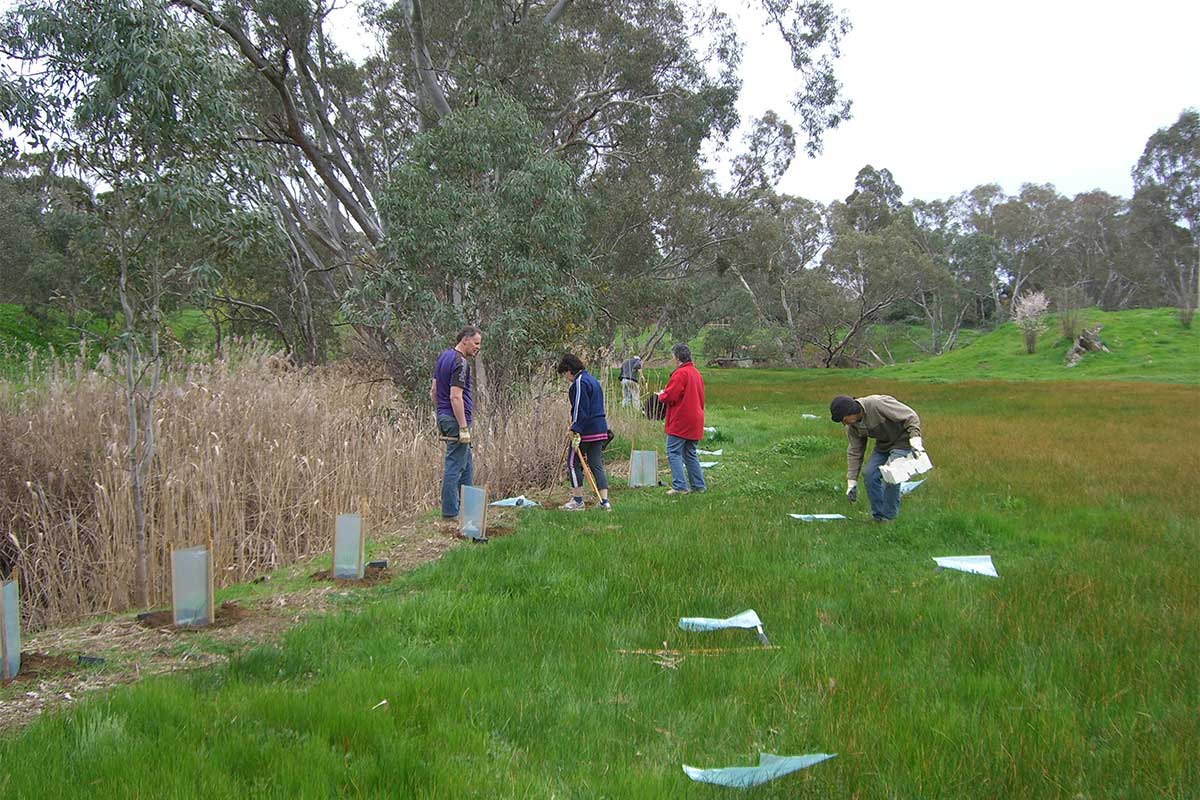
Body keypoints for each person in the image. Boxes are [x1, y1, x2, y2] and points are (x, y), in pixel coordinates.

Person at [830, 394, 925, 523]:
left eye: (843, 419)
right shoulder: (852, 427)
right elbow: (854, 452)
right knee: (869, 474)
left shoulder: (877, 404)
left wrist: (915, 441)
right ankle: (879, 517)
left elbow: (911, 416)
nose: (843, 423)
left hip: (903, 441)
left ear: (851, 411)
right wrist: (851, 482)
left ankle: (890, 518)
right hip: (883, 445)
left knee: (891, 475)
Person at [431, 326, 482, 520]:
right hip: (455, 419)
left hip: (444, 416)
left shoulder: (443, 356)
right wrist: (462, 427)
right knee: (454, 465)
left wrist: (440, 413)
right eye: (476, 343)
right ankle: (450, 513)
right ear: (465, 340)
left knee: (466, 463)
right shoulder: (460, 362)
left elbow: (434, 390)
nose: (478, 347)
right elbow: (455, 397)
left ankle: (469, 508)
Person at [557, 354, 611, 511]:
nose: (566, 378)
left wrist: (574, 428)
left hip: (586, 431)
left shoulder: (579, 382)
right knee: (596, 463)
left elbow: (581, 409)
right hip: (600, 428)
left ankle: (577, 500)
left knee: (573, 463)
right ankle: (604, 501)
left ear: (569, 370)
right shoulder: (593, 380)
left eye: (564, 374)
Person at [657, 344, 706, 495]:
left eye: (673, 357)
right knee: (690, 452)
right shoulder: (695, 373)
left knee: (673, 451)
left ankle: (679, 486)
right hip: (695, 418)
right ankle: (698, 486)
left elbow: (671, 395)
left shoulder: (680, 374)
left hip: (682, 419)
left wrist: (660, 395)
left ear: (677, 358)